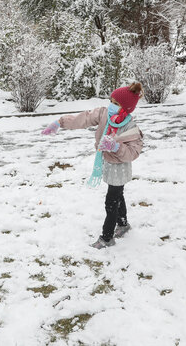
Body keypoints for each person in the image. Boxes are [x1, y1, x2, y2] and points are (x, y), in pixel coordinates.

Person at [41, 83, 144, 249]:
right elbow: (84, 119)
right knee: (118, 195)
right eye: (111, 101)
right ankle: (123, 224)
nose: (111, 105)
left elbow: (133, 152)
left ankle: (107, 238)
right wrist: (60, 122)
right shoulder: (104, 114)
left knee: (111, 202)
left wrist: (116, 147)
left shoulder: (130, 127)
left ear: (126, 108)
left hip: (120, 167)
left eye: (116, 104)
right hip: (108, 164)